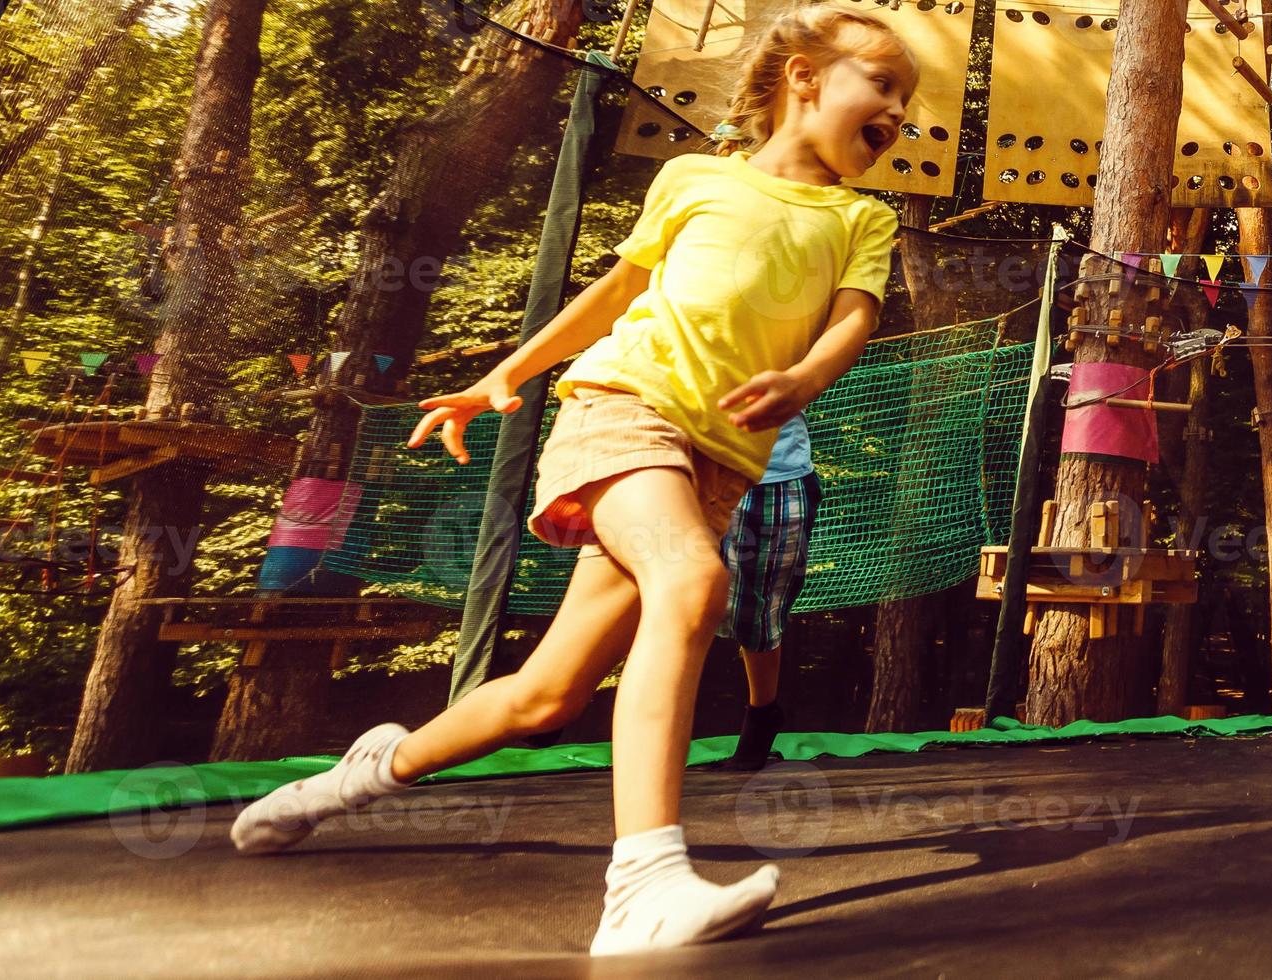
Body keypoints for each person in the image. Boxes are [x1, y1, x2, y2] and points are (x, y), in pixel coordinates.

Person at [225, 6, 915, 954]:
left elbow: (852, 320)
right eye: (880, 85)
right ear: (803, 77)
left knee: (546, 698)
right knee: (695, 581)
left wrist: (802, 379)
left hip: (714, 464)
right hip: (623, 409)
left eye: (905, 103)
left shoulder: (858, 216)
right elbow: (621, 290)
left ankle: (355, 775)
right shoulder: (695, 178)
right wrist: (505, 373)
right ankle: (643, 882)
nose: (897, 112)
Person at [719, 413, 823, 770]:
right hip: (685, 471)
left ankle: (762, 715)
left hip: (771, 481)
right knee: (675, 602)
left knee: (754, 614)